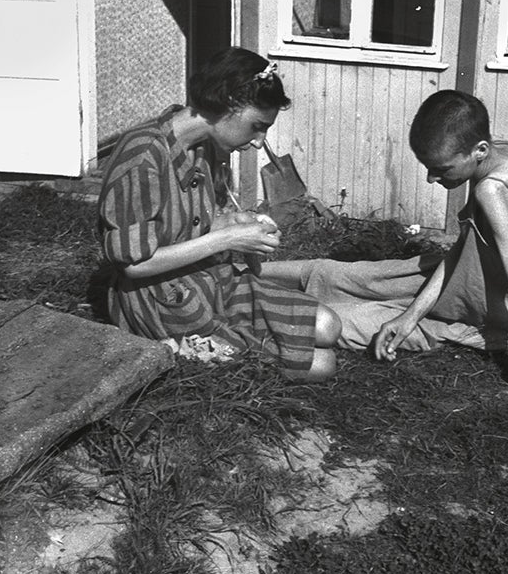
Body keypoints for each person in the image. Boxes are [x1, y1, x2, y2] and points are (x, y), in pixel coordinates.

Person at [262, 91, 508, 430]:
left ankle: (230, 311)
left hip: (487, 316)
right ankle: (233, 271)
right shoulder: (505, 152)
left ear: (479, 151)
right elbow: (465, 248)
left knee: (342, 318)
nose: (432, 179)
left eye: (440, 169)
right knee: (334, 273)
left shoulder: (492, 192)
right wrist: (409, 316)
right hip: (464, 273)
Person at [97, 47, 341, 382]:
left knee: (329, 325)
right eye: (257, 127)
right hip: (160, 299)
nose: (258, 143)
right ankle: (197, 346)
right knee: (322, 365)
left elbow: (191, 224)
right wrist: (226, 238)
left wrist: (234, 223)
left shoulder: (206, 148)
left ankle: (245, 337)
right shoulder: (143, 157)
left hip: (210, 280)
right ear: (226, 103)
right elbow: (134, 264)